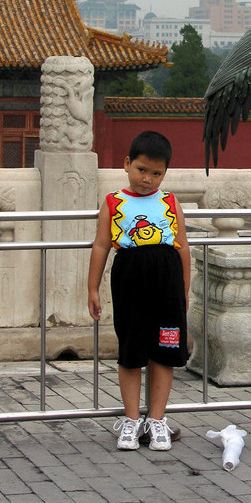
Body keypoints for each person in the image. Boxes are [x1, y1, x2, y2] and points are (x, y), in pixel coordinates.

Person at [87, 131, 191, 451]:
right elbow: (102, 245)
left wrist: (184, 291)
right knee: (131, 350)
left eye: (156, 173)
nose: (147, 179)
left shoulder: (170, 202)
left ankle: (157, 420)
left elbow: (183, 247)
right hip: (129, 277)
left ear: (165, 173)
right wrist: (92, 287)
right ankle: (132, 421)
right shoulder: (113, 202)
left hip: (167, 280)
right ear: (127, 164)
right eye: (142, 170)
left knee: (164, 350)